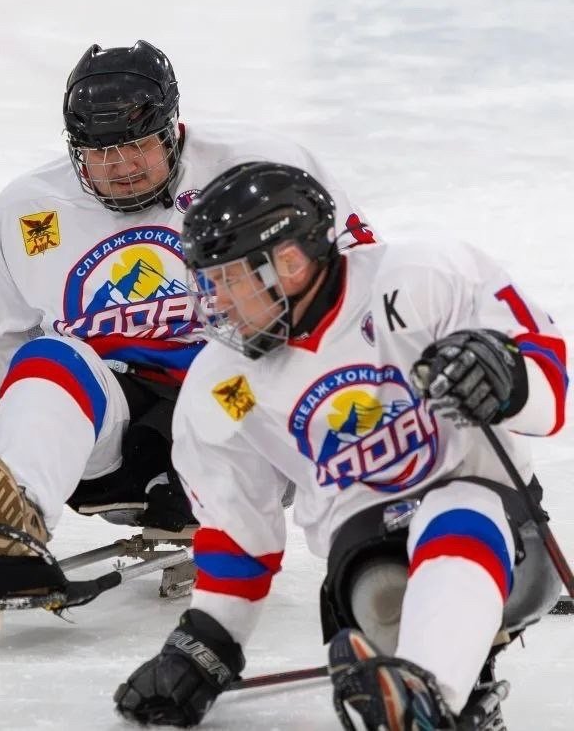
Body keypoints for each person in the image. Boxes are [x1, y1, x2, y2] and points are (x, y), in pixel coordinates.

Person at [0, 41, 376, 568]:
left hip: (241, 414)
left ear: (172, 130)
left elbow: (360, 293)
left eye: (138, 145)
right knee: (45, 359)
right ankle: (11, 528)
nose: (121, 166)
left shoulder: (260, 173)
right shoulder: (29, 211)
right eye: (100, 152)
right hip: (116, 436)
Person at [113, 162, 566, 729]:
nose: (217, 302)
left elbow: (549, 377)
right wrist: (207, 643)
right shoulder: (224, 386)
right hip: (366, 561)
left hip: (505, 534)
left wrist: (508, 376)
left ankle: (428, 696)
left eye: (231, 279)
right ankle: (438, 696)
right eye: (209, 282)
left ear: (292, 262)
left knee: (456, 511)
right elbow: (237, 529)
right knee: (379, 598)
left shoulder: (423, 280)